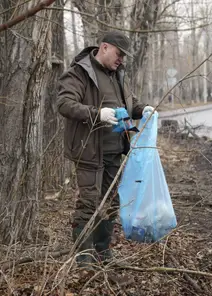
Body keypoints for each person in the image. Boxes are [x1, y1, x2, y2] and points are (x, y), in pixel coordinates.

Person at [56, 31, 153, 267]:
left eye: (124, 56)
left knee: (111, 203)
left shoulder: (118, 75)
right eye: (119, 54)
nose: (122, 60)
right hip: (88, 151)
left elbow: (128, 105)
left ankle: (102, 252)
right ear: (105, 47)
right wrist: (96, 114)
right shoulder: (79, 72)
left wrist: (144, 109)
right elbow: (64, 104)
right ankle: (83, 258)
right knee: (89, 203)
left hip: (114, 151)